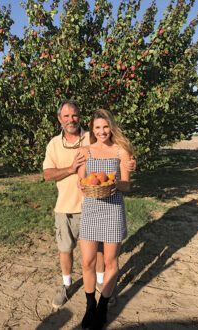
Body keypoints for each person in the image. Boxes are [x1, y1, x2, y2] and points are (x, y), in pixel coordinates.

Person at [43, 101, 136, 310]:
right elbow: (50, 174)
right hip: (69, 205)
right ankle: (67, 286)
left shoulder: (94, 138)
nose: (70, 120)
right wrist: (73, 171)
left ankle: (103, 286)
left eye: (74, 115)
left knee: (104, 255)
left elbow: (122, 166)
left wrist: (129, 164)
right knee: (67, 250)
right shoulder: (56, 144)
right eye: (65, 116)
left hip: (98, 207)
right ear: (59, 119)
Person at [77, 109, 134, 329]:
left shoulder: (122, 151)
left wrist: (113, 183)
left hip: (113, 211)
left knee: (110, 262)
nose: (101, 131)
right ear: (92, 128)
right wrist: (84, 184)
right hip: (91, 210)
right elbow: (81, 181)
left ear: (112, 127)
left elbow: (127, 186)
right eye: (97, 127)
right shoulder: (85, 151)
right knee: (87, 262)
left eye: (105, 127)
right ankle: (90, 306)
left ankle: (103, 306)